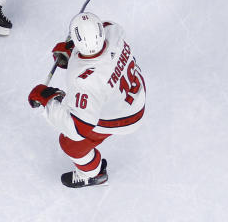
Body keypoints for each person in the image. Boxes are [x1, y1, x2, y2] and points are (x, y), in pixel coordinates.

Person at [27, 12, 146, 188]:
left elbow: (77, 129)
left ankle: (94, 175)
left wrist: (48, 101)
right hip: (134, 92)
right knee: (86, 104)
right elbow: (100, 61)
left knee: (71, 144)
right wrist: (72, 52)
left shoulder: (84, 83)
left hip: (123, 116)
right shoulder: (113, 29)